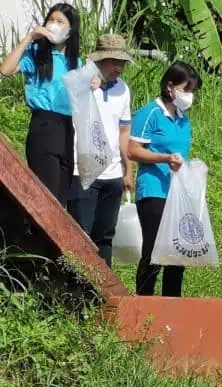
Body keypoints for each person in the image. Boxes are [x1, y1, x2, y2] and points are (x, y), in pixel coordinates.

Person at [127, 61, 201, 297]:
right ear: (171, 87)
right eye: (186, 89)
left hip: (177, 193)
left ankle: (172, 304)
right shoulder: (150, 113)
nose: (189, 96)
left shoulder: (183, 119)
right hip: (153, 190)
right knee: (154, 251)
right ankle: (145, 302)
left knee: (178, 254)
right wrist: (163, 157)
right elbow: (133, 150)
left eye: (192, 92)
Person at [0, 3, 81, 205]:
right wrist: (29, 38)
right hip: (44, 125)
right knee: (47, 195)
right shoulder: (36, 54)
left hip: (68, 129)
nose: (53, 25)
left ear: (70, 30)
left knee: (62, 196)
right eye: (51, 20)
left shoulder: (77, 63)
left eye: (60, 21)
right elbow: (6, 70)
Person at [66, 34, 134, 267]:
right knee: (80, 234)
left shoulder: (123, 90)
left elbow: (124, 131)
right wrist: (88, 87)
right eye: (113, 61)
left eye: (122, 62)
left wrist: (128, 169)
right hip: (83, 170)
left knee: (105, 236)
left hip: (113, 172)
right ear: (99, 59)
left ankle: (102, 293)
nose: (118, 68)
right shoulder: (79, 81)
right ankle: (77, 292)